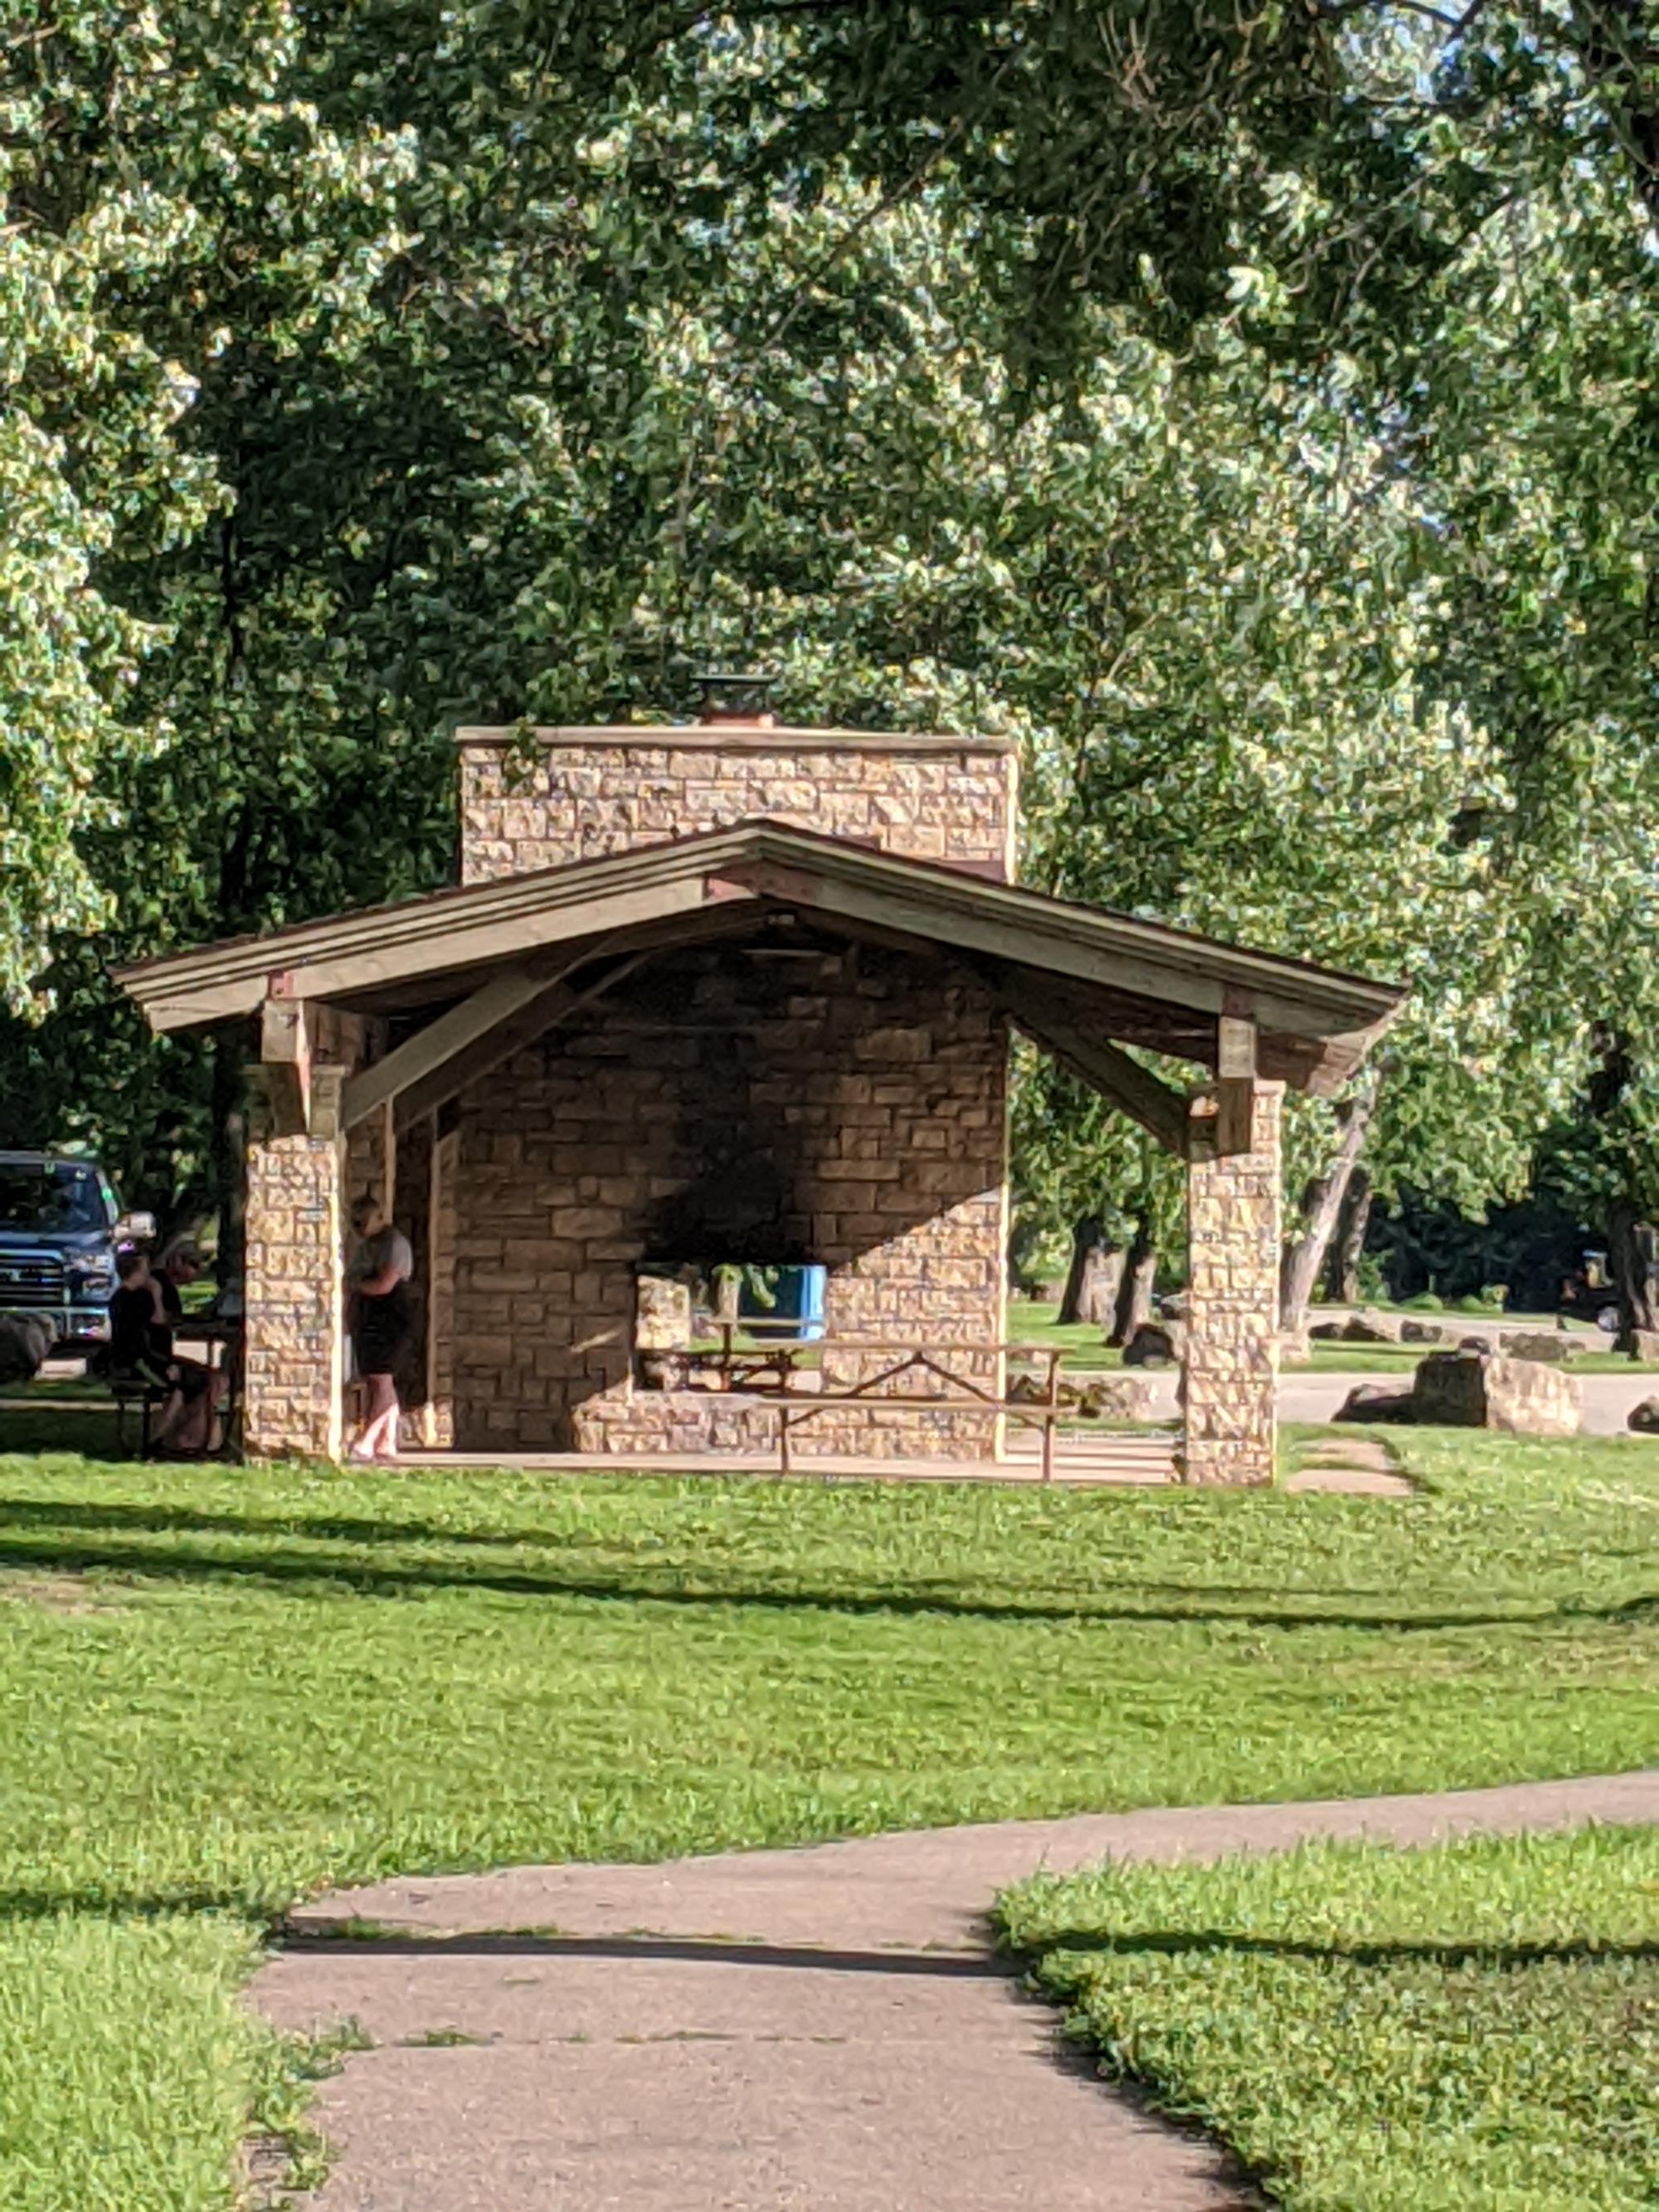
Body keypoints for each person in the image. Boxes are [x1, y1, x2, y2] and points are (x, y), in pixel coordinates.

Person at [347, 1196, 414, 1461]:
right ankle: (386, 1442)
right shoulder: (367, 1246)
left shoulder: (394, 1245)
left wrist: (353, 1287)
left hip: (389, 1315)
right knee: (377, 1382)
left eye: (364, 1221)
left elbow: (384, 1285)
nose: (359, 1227)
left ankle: (367, 1440)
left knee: (382, 1379)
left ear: (379, 1217)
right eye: (355, 1222)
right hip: (368, 1317)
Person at [151, 1236, 226, 1453]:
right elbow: (166, 1321)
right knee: (212, 1380)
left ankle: (195, 1434)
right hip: (155, 1358)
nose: (196, 1272)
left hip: (159, 1355)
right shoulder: (159, 1286)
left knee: (210, 1376)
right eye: (192, 1265)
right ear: (176, 1261)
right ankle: (194, 1437)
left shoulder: (164, 1286)